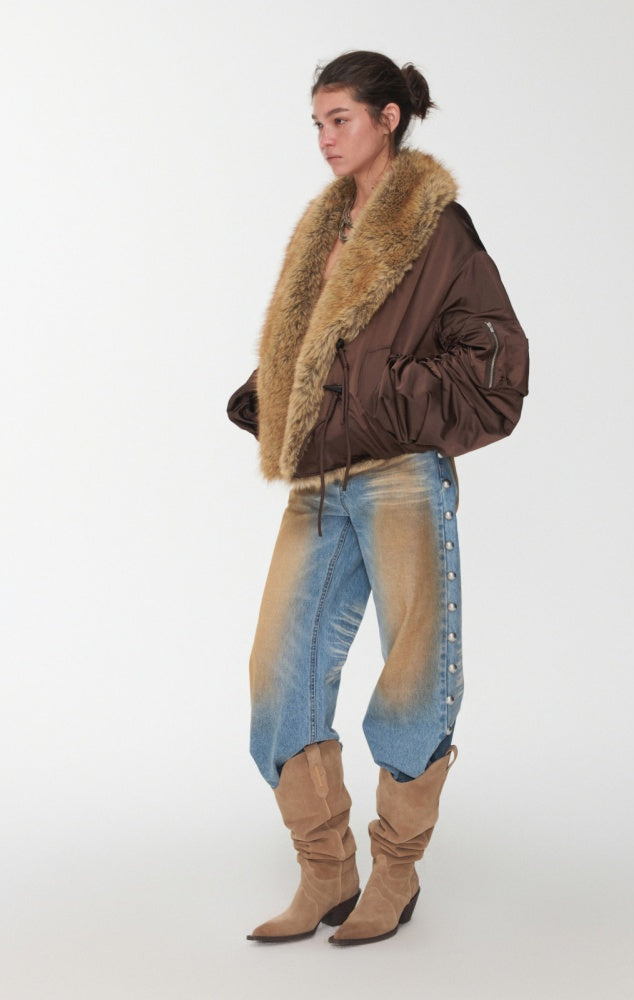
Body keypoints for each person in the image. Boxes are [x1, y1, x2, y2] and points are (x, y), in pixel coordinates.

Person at [227, 50, 529, 946]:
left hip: (401, 475)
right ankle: (326, 871)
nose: (325, 138)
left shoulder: (437, 226)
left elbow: (496, 367)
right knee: (276, 676)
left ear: (388, 118)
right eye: (317, 123)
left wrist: (371, 390)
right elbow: (322, 353)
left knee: (415, 676)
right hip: (321, 481)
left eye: (341, 119)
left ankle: (395, 874)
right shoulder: (327, 227)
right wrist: (277, 394)